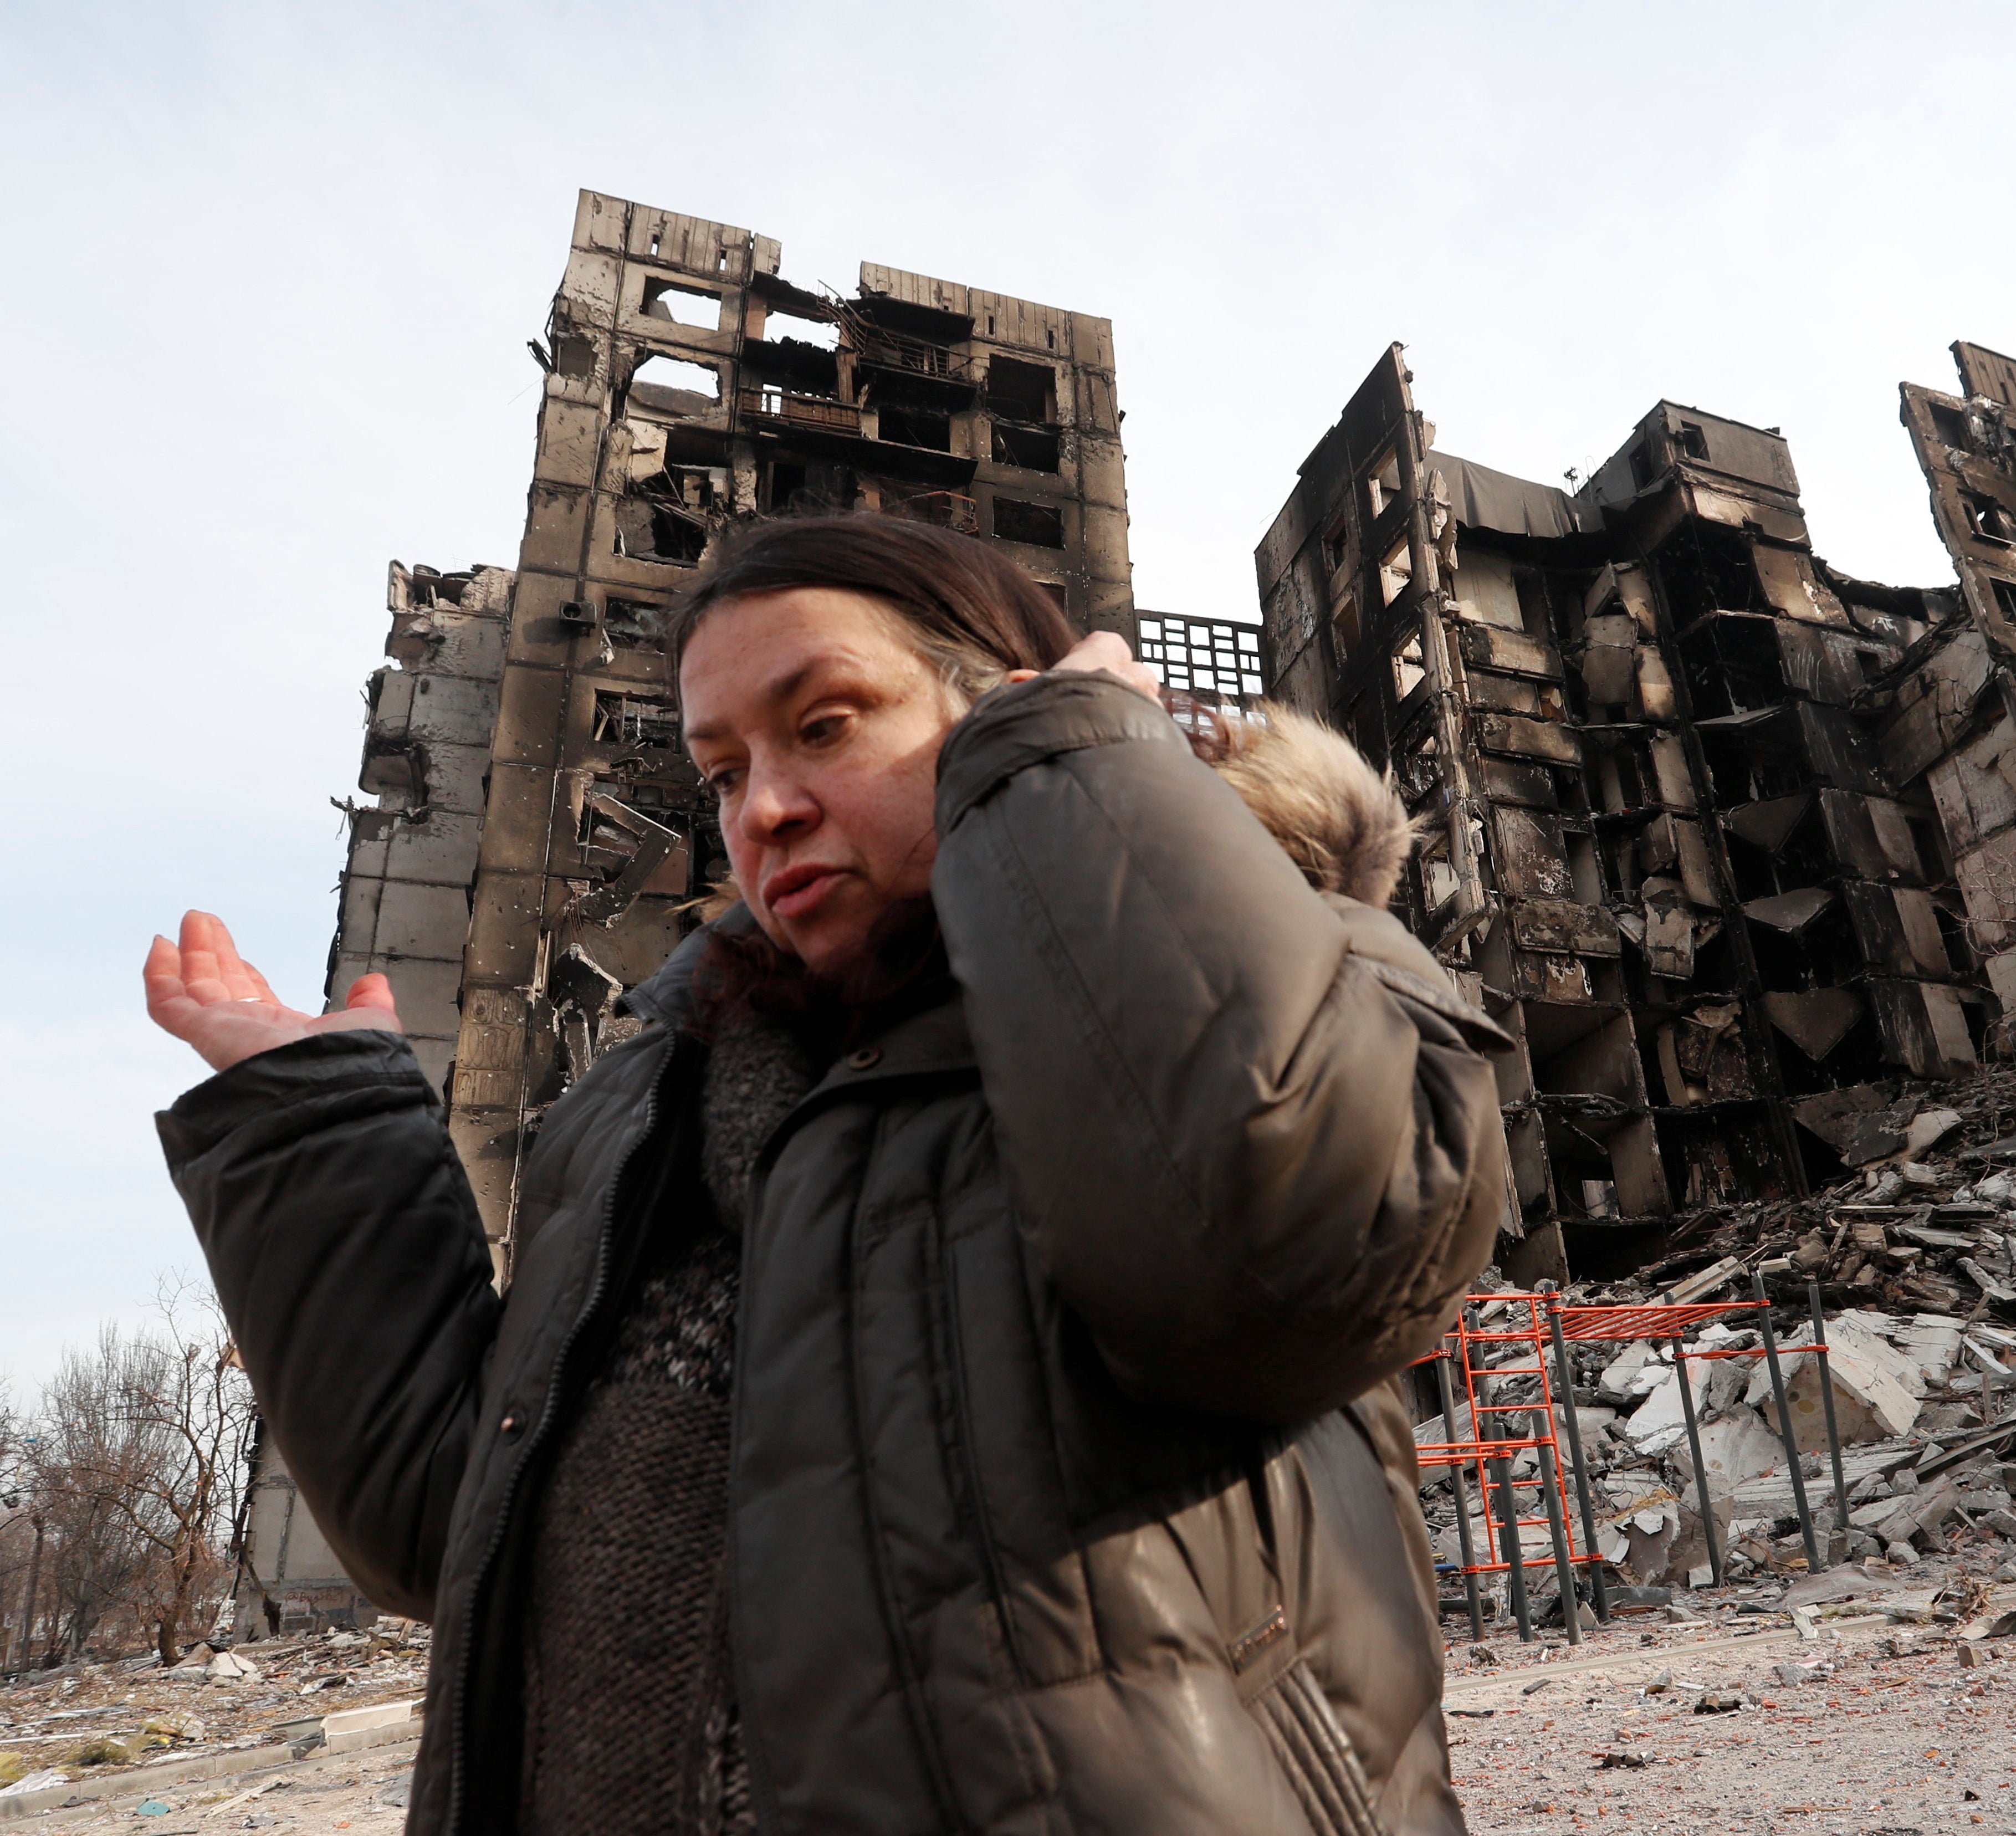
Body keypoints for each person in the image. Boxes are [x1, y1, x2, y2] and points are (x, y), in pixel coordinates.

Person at [146, 514, 1509, 1835]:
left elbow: (1279, 1259)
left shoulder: (1293, 970)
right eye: (724, 771)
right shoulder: (658, 1102)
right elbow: (446, 1527)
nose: (766, 812)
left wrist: (1064, 767)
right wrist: (320, 1131)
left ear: (1006, 709)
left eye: (824, 723)